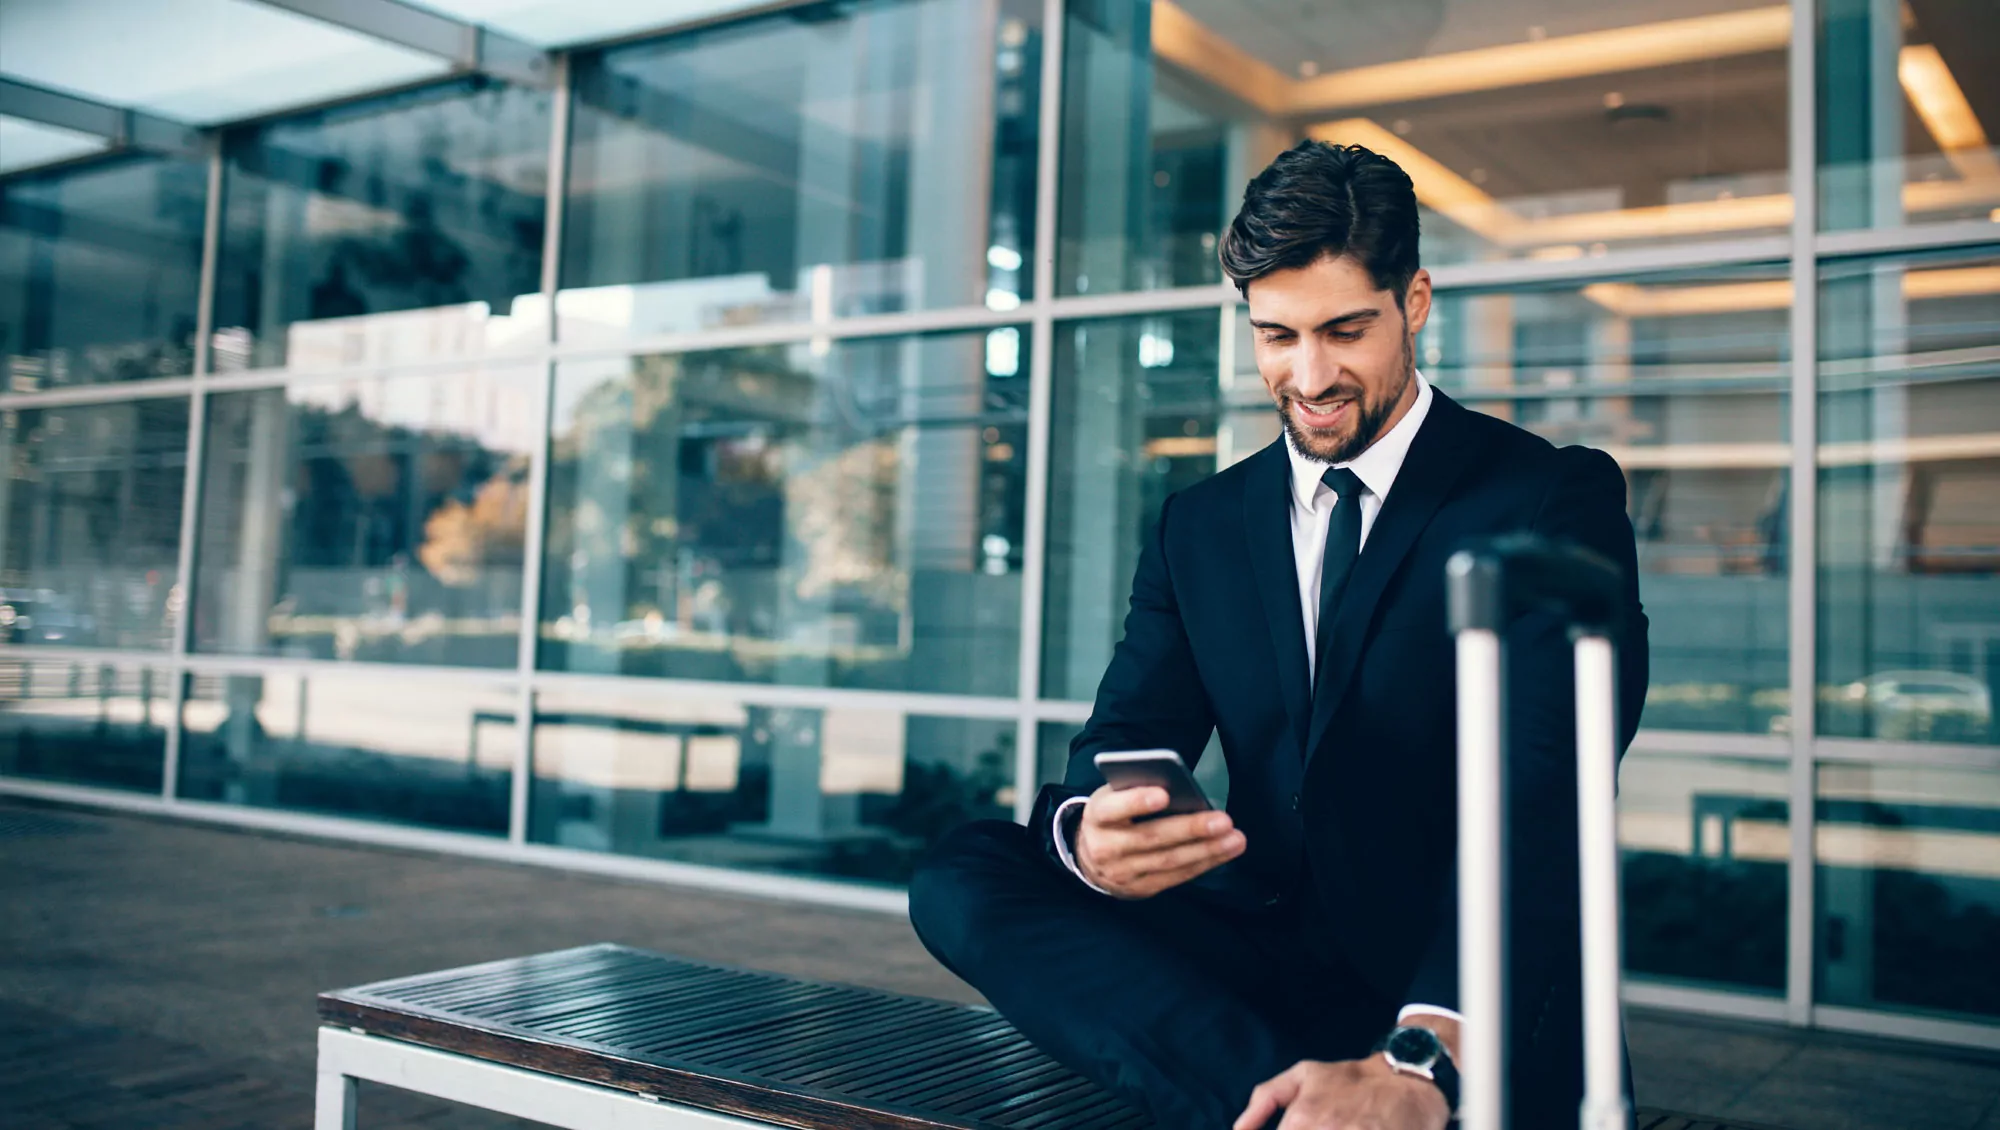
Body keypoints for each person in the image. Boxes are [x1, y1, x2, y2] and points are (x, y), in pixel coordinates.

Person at [908, 140, 1649, 1130]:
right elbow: (1122, 739)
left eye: (1343, 330)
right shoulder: (1200, 524)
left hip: (1443, 974)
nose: (1307, 374)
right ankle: (1302, 1106)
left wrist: (1423, 1053)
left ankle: (1382, 1092)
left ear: (1413, 301)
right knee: (966, 872)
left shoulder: (1549, 495)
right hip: (1255, 961)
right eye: (1275, 335)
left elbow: (1540, 801)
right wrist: (1093, 837)